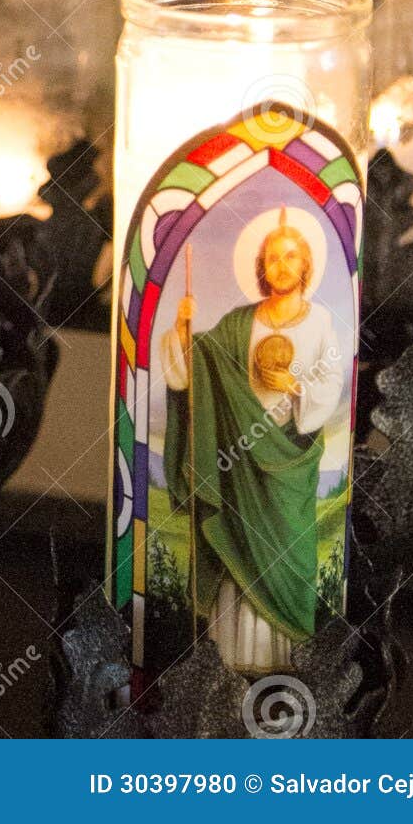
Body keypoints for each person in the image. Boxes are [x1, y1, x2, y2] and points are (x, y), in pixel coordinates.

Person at [160, 208, 344, 675]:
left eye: (290, 256)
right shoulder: (239, 322)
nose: (281, 265)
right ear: (263, 268)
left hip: (290, 460)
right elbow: (198, 371)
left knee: (289, 552)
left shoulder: (320, 322)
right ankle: (228, 661)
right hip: (237, 460)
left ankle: (286, 665)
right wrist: (183, 333)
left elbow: (329, 384)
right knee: (238, 545)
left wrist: (295, 384)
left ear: (306, 265)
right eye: (272, 258)